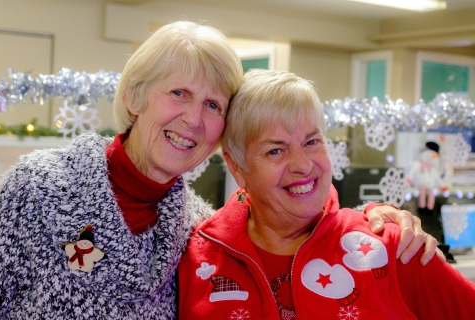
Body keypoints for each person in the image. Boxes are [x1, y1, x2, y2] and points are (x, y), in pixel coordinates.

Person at [0, 21, 437, 319]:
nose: (193, 119)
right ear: (134, 96)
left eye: (212, 105)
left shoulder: (197, 231)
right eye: (179, 93)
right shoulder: (38, 187)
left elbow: (280, 210)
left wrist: (379, 218)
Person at [178, 69, 475, 319]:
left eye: (312, 141)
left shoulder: (396, 248)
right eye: (275, 150)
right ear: (236, 165)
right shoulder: (196, 257)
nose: (303, 165)